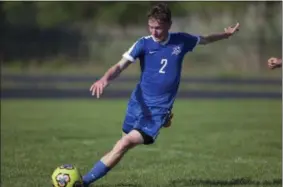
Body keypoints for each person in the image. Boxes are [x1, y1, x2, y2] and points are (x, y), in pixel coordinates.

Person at [83, 3, 240, 186]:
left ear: (169, 25)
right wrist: (104, 79)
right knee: (122, 142)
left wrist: (226, 35)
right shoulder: (143, 43)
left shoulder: (182, 40)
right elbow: (120, 66)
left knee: (124, 143)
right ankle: (165, 120)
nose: (154, 32)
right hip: (137, 103)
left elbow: (204, 39)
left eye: (158, 27)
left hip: (157, 109)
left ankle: (84, 182)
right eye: (151, 27)